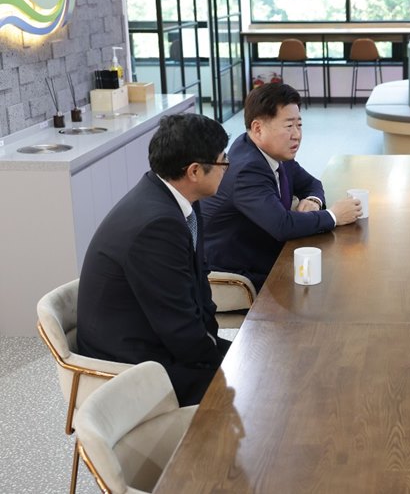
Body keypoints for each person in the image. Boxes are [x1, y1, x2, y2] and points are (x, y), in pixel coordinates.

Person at [77, 113, 231, 406]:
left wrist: (215, 344)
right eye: (223, 161)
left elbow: (197, 288)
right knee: (250, 387)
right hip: (131, 365)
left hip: (157, 337)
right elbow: (178, 328)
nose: (227, 168)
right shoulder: (157, 226)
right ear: (194, 171)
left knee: (252, 363)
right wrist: (219, 361)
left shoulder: (179, 199)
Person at [202, 83, 361, 290]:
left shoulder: (272, 151)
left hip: (267, 249)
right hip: (240, 270)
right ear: (258, 129)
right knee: (336, 282)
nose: (297, 135)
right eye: (289, 126)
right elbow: (282, 226)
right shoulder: (247, 169)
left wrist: (313, 200)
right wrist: (334, 216)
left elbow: (311, 183)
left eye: (299, 125)